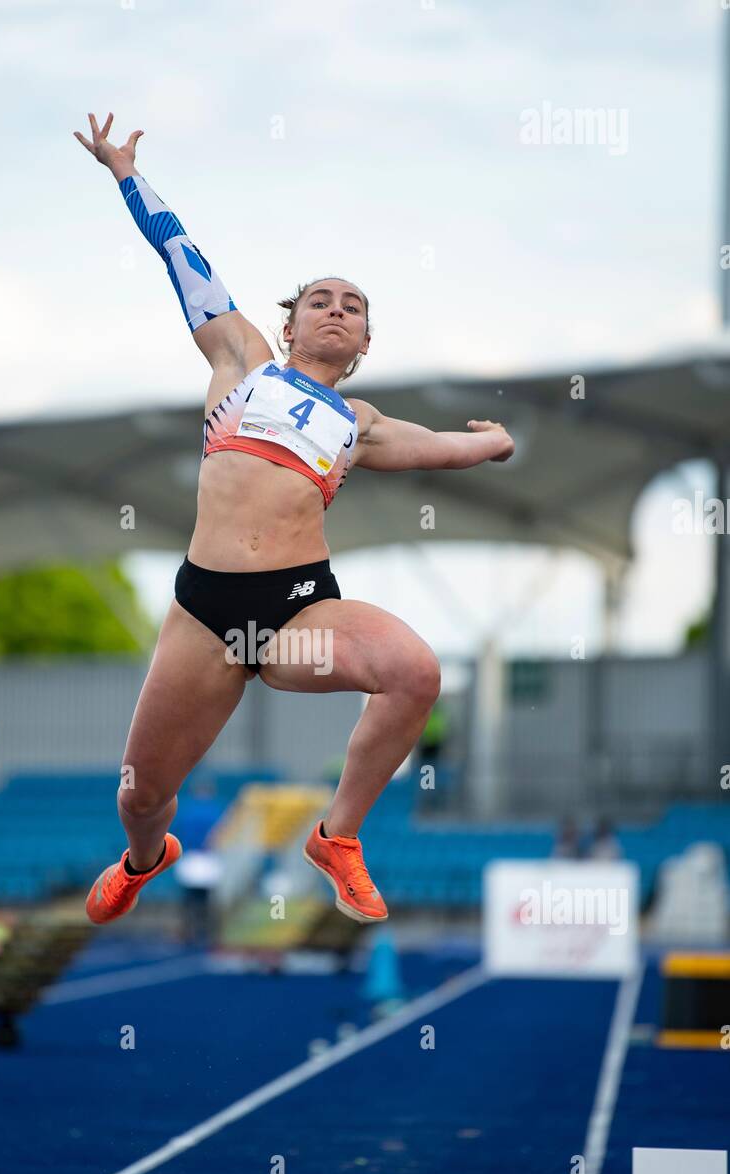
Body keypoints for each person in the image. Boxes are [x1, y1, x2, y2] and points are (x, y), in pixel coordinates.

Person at [75, 115, 514, 927]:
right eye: (320, 299)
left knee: (415, 673)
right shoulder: (242, 360)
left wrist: (491, 445)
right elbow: (181, 256)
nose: (336, 310)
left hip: (296, 613)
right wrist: (126, 175)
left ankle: (336, 838)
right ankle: (145, 860)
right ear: (290, 323)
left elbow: (433, 449)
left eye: (352, 307)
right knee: (141, 795)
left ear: (363, 343)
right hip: (206, 615)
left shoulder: (358, 422)